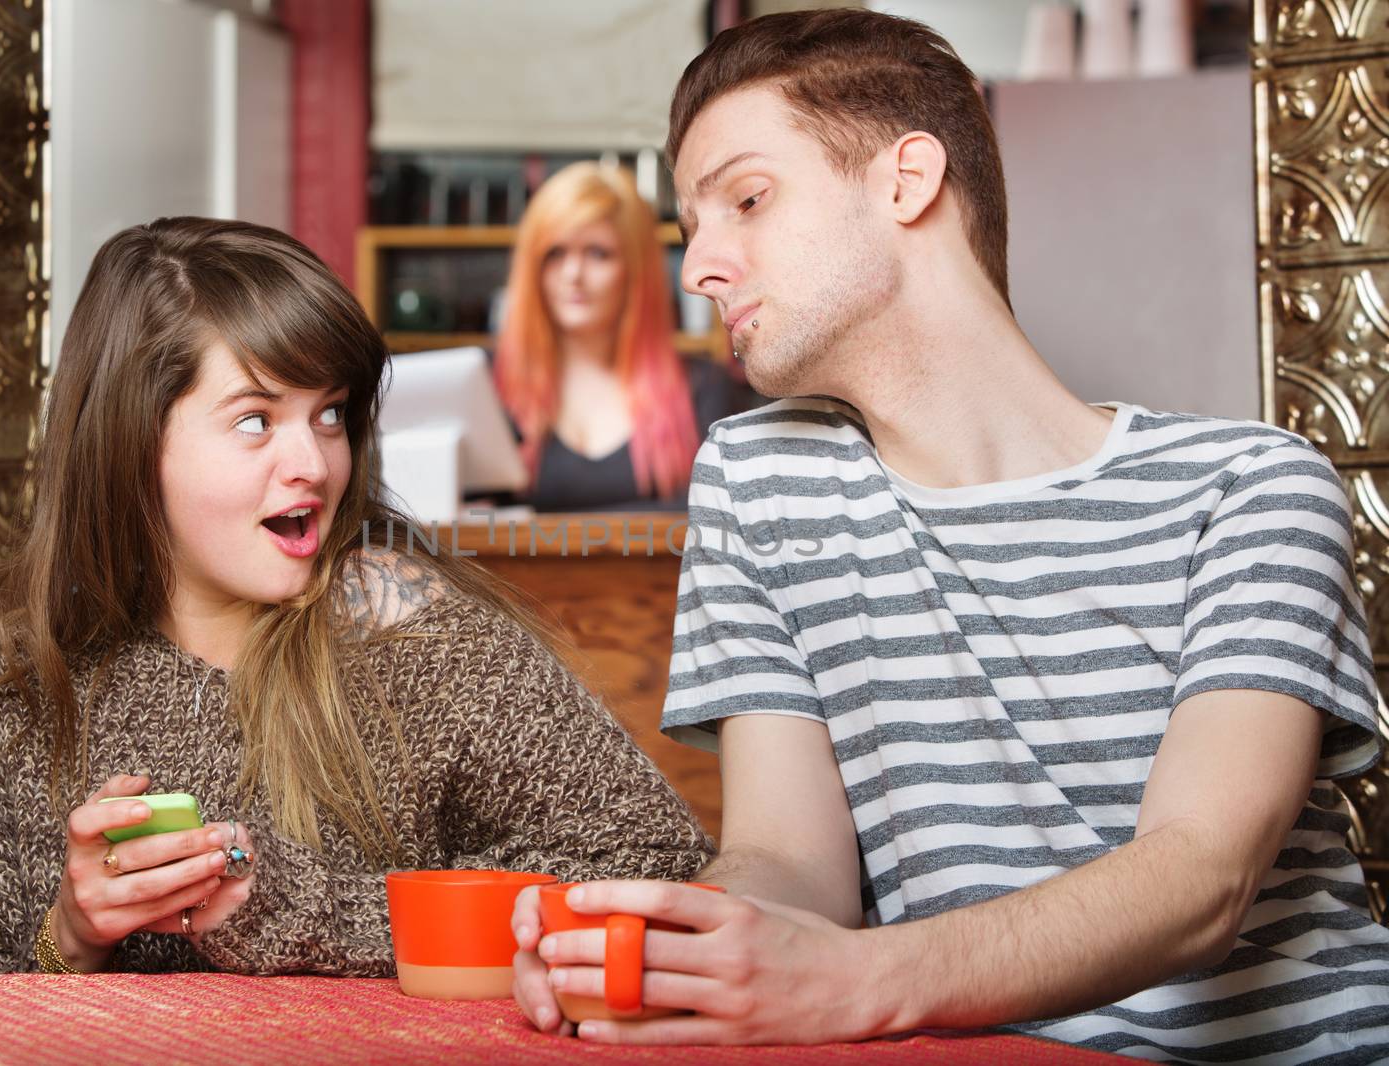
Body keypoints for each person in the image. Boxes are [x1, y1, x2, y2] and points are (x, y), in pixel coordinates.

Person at [511, 10, 1389, 1060]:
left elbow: (1201, 875)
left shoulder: (1251, 488)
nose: (698, 265)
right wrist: (673, 948)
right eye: (691, 224)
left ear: (905, 180)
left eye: (745, 199)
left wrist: (855, 982)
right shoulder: (761, 479)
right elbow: (790, 867)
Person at [0, 217, 712, 976]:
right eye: (255, 421)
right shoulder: (18, 689)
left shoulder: (406, 631)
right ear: (130, 441)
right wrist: (69, 939)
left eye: (329, 415)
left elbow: (651, 863)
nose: (315, 466)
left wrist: (309, 915)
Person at [494, 161, 738, 512]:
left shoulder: (702, 389)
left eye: (598, 253)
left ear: (635, 268)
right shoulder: (491, 386)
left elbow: (716, 518)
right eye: (555, 253)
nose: (573, 274)